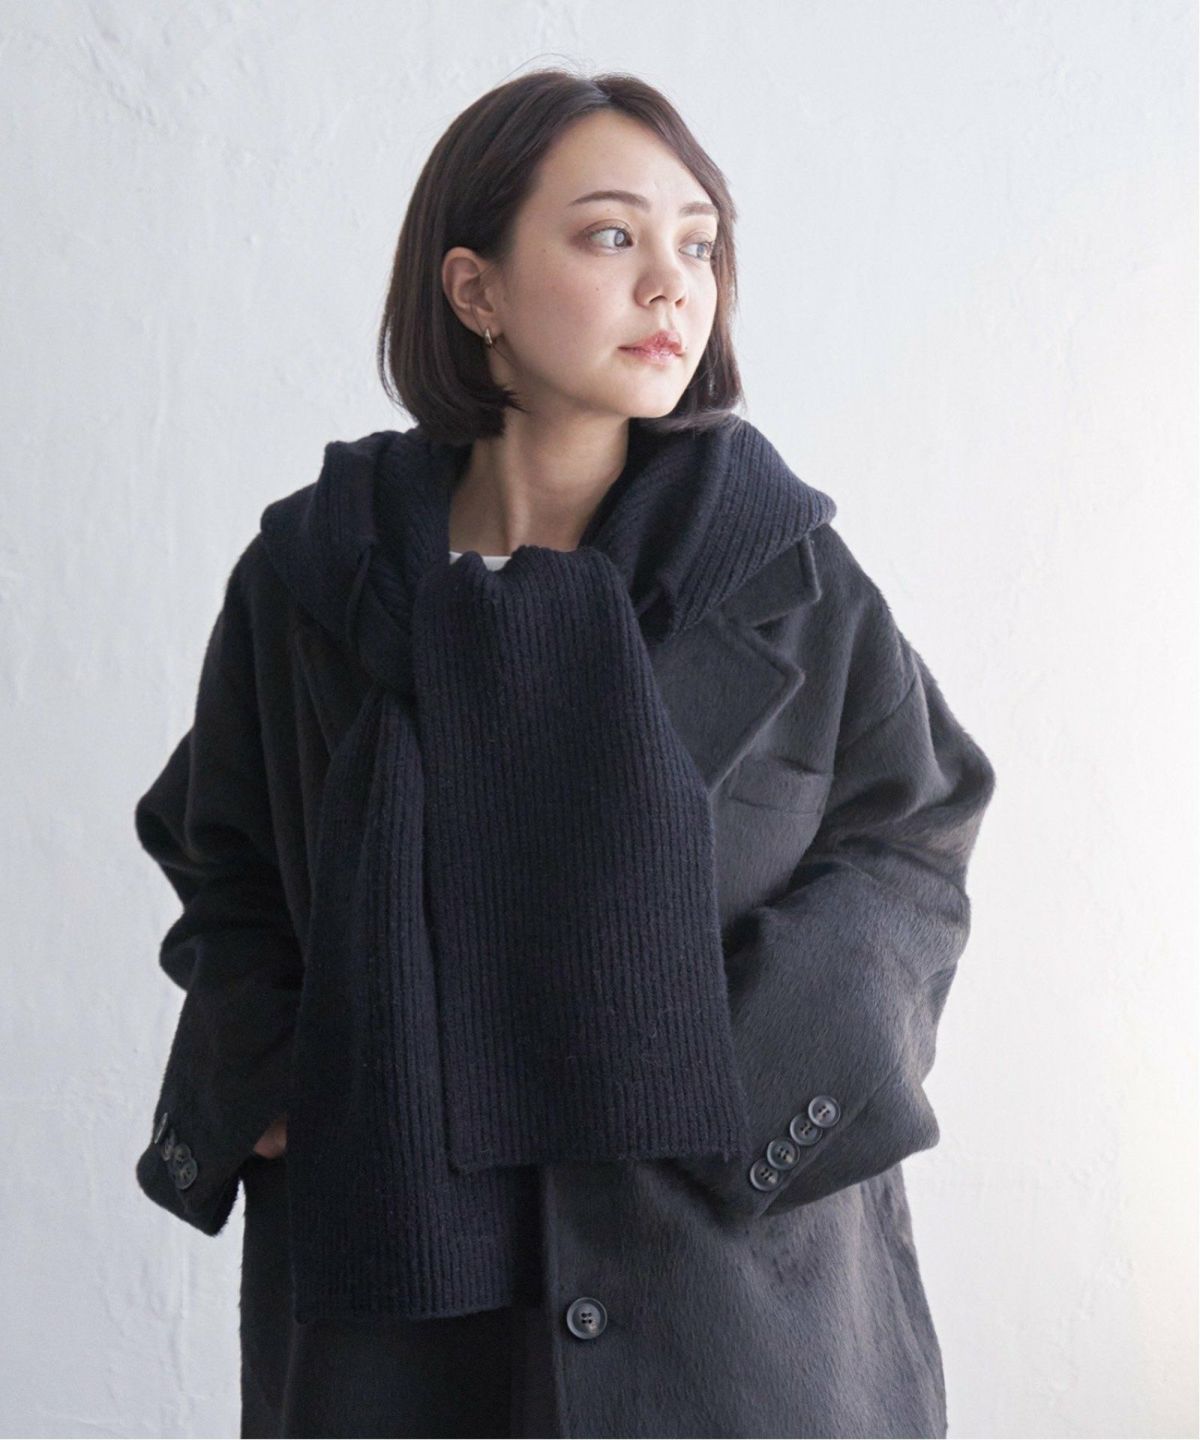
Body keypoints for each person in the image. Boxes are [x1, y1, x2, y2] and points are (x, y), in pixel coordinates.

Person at [133, 67, 997, 1440]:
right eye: (610, 235)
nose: (671, 285)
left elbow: (915, 839)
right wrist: (269, 1068)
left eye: (698, 244)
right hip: (401, 1322)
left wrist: (736, 1086)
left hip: (734, 1306)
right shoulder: (312, 579)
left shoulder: (789, 577)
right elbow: (221, 852)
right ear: (473, 288)